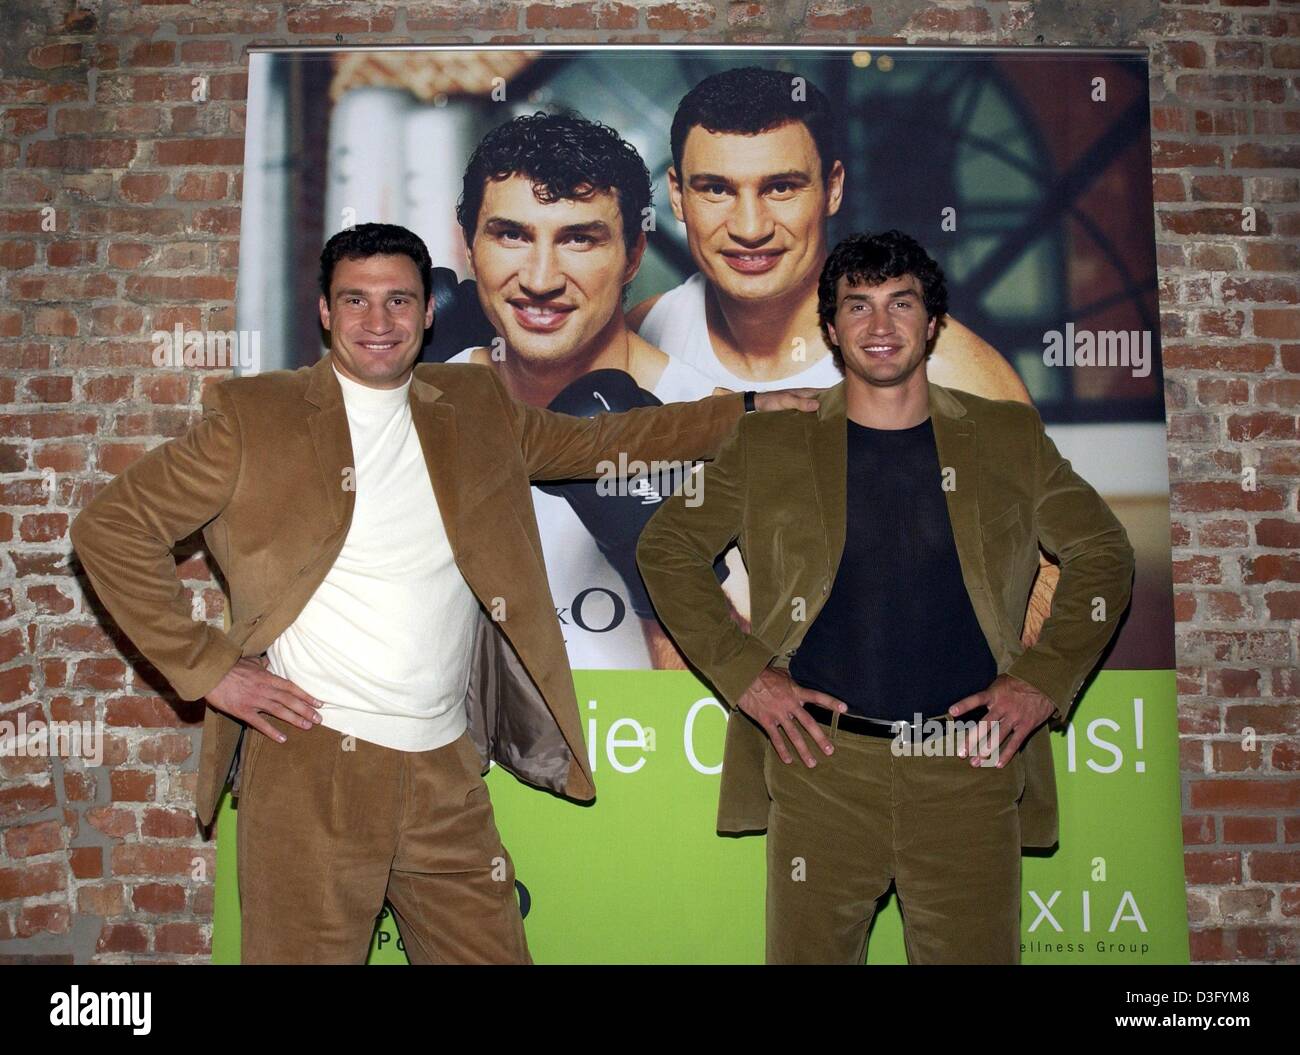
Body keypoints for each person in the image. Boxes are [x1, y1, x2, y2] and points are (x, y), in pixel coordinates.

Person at [69, 222, 820, 964]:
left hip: (443, 769)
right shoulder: (253, 414)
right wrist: (210, 669)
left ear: (428, 311)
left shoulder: (473, 404)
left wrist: (745, 412)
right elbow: (111, 530)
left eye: (398, 300)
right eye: (355, 301)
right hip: (310, 766)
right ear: (325, 312)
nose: (378, 321)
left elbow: (596, 445)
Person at [637, 230, 1135, 964]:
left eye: (901, 304)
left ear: (932, 322)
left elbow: (1104, 553)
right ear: (831, 329)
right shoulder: (770, 444)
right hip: (821, 773)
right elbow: (665, 548)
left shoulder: (1006, 436)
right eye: (858, 306)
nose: (880, 326)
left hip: (969, 773)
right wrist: (747, 676)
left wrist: (1042, 681)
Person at [446, 111, 739, 669]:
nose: (539, 278)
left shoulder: (729, 441)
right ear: (468, 246)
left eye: (578, 239)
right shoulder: (410, 412)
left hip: (638, 754)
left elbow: (754, 717)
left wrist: (661, 584)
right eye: (511, 235)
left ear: (632, 255)